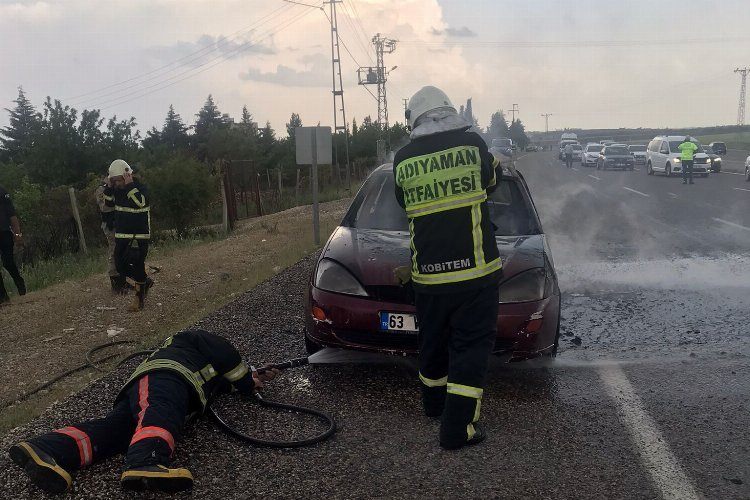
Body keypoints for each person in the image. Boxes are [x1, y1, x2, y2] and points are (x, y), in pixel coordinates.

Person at [8, 329, 281, 494]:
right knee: (163, 410)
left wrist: (250, 380)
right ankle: (145, 461)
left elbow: (219, 379)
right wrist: (244, 378)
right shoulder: (192, 342)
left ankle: (47, 449)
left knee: (115, 432)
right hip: (165, 379)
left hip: (144, 390)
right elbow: (226, 355)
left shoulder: (201, 365)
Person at [394, 86, 502, 450]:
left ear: (415, 118)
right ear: (449, 111)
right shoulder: (473, 146)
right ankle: (458, 429)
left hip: (428, 277)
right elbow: (491, 183)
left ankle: (434, 405)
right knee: (470, 350)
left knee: (433, 345)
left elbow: (402, 201)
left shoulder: (403, 159)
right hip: (475, 275)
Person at [103, 159, 153, 311]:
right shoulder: (116, 189)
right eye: (114, 181)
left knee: (137, 266)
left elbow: (140, 203)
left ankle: (139, 300)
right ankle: (145, 281)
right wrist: (109, 188)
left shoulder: (139, 187)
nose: (117, 184)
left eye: (117, 180)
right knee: (120, 266)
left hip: (138, 236)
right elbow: (108, 204)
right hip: (122, 236)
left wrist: (130, 185)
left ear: (126, 176)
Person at [95, 176, 130, 294]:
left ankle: (123, 280)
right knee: (114, 250)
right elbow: (104, 207)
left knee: (124, 251)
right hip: (111, 225)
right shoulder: (101, 189)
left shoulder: (119, 186)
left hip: (121, 223)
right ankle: (116, 283)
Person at [0, 185, 26, 304]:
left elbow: (12, 214)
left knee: (8, 262)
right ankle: (3, 297)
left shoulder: (2, 191)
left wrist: (18, 234)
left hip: (4, 232)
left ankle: (19, 282)